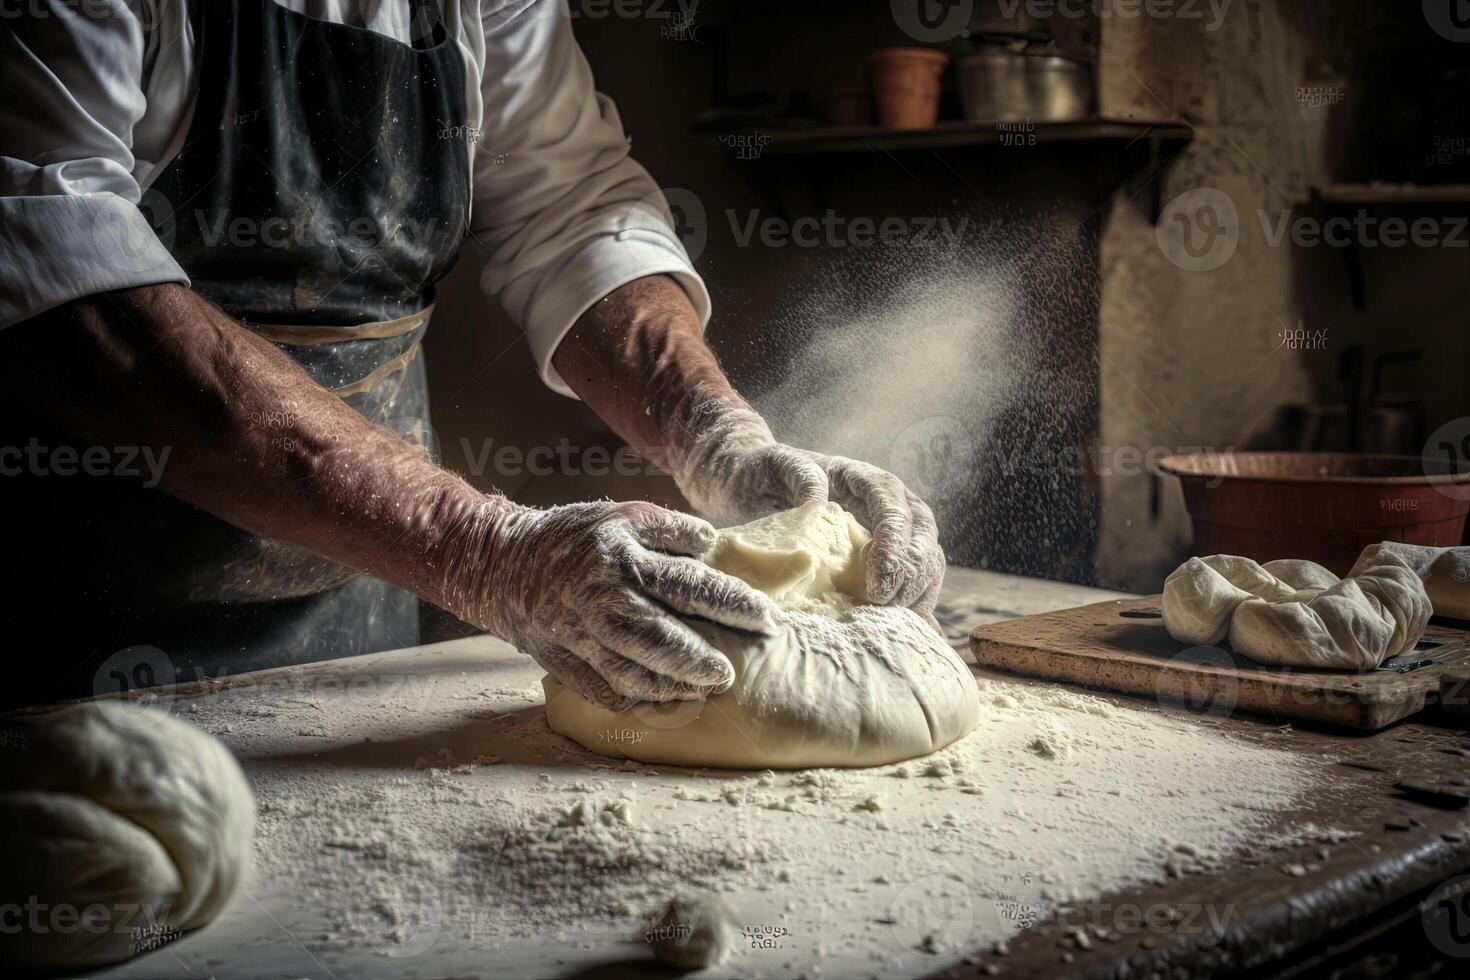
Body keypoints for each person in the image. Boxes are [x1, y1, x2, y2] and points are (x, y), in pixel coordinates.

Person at [0, 0, 944, 710]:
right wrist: (485, 550)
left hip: (362, 601)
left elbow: (569, 207)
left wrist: (719, 437)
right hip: (69, 623)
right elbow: (55, 256)